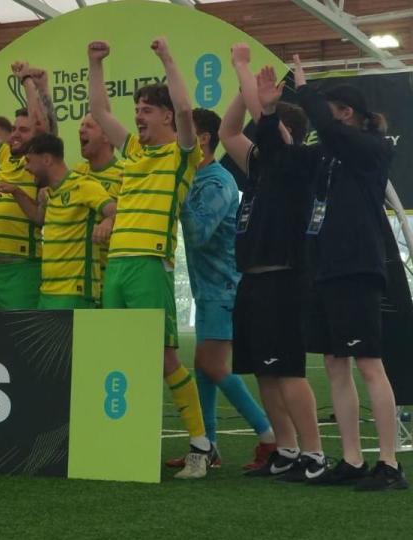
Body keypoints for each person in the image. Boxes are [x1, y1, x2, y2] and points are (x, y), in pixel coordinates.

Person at [258, 58, 407, 491]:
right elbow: (280, 157)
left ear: (348, 113)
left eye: (333, 109)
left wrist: (305, 92)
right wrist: (268, 114)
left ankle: (389, 464)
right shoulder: (325, 156)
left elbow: (334, 133)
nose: (329, 118)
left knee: (368, 364)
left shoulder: (373, 148)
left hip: (357, 266)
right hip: (323, 268)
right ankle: (352, 458)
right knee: (334, 363)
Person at [88, 38, 211, 479]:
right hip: (117, 264)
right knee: (118, 358)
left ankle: (200, 446)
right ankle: (125, 445)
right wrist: (95, 63)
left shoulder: (182, 155)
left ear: (164, 118)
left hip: (150, 265)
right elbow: (101, 113)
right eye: (136, 108)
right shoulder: (135, 152)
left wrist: (166, 58)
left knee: (163, 360)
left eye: (145, 110)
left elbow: (184, 110)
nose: (137, 115)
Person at [218, 43, 324, 481]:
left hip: (283, 279)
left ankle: (314, 455)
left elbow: (261, 125)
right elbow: (227, 132)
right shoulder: (259, 167)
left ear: (284, 132)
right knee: (262, 369)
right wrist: (245, 94)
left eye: (268, 125)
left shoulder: (294, 168)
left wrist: (243, 68)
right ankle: (286, 449)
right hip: (252, 280)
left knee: (288, 370)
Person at [165, 106, 275, 471]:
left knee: (212, 366)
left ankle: (268, 435)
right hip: (209, 288)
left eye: (184, 131)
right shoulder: (202, 177)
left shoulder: (215, 181)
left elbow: (197, 234)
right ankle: (208, 445)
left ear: (203, 138)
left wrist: (175, 193)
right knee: (203, 367)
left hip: (225, 289)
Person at [0, 133, 116, 309]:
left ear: (46, 159)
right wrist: (16, 191)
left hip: (75, 294)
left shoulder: (84, 185)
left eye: (29, 161)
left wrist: (108, 222)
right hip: (47, 292)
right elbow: (40, 219)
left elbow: (116, 211)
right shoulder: (49, 193)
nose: (26, 168)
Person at [0, 61, 52, 309]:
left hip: (23, 268)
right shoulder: (5, 156)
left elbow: (40, 125)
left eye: (23, 130)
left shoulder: (38, 163)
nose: (16, 134)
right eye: (14, 129)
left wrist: (27, 81)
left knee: (20, 343)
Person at [71, 114, 123, 306]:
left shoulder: (125, 174)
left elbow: (133, 217)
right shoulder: (75, 173)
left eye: (89, 126)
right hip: (76, 285)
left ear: (107, 136)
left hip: (109, 280)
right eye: (81, 125)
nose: (81, 129)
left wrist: (111, 220)